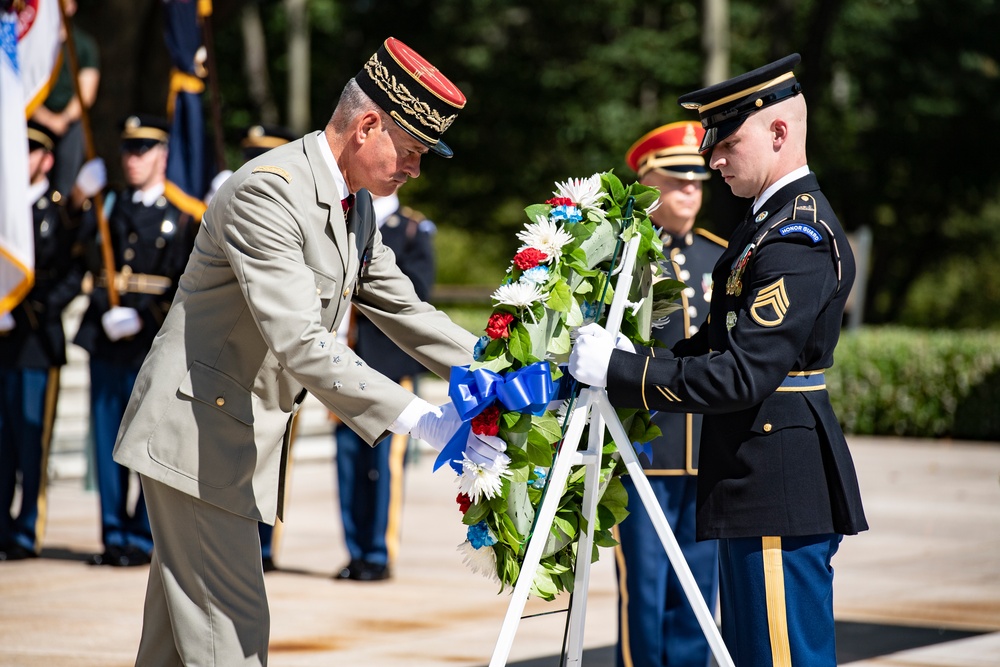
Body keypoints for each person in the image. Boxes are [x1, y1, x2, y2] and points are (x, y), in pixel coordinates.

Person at [111, 37, 506, 665]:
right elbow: (299, 338)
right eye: (410, 152)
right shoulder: (267, 191)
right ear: (367, 126)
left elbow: (404, 309)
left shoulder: (357, 207)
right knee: (232, 640)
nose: (415, 170)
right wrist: (420, 418)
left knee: (174, 645)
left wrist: (507, 369)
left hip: (224, 438)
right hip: (197, 437)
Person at [569, 54, 868, 666]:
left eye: (728, 142)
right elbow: (713, 344)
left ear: (778, 133)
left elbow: (742, 372)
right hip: (753, 478)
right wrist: (635, 355)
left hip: (775, 483)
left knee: (779, 657)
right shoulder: (763, 226)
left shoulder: (795, 238)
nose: (713, 160)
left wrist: (624, 373)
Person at [614, 121, 726, 667]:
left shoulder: (721, 256)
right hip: (646, 450)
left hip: (706, 448)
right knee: (646, 587)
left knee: (700, 591)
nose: (691, 190)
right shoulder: (623, 257)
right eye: (678, 180)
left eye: (697, 181)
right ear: (647, 184)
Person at [73, 114, 198, 568]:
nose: (131, 160)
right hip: (107, 337)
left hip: (151, 343)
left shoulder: (182, 217)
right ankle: (112, 535)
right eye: (127, 150)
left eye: (141, 151)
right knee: (107, 442)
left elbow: (188, 284)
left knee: (147, 442)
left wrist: (144, 316)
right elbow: (74, 249)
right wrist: (79, 199)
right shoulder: (107, 209)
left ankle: (142, 536)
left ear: (162, 156)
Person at [334, 190, 437, 582]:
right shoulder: (347, 219)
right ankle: (356, 551)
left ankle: (378, 552)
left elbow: (416, 296)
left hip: (389, 366)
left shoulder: (411, 229)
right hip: (345, 362)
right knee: (348, 465)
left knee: (382, 467)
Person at [0, 122, 86, 561]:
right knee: (3, 443)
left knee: (32, 442)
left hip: (37, 340)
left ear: (48, 160)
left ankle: (25, 531)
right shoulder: (6, 209)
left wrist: (31, 310)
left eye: (33, 151)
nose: (24, 158)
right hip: (4, 339)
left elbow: (75, 272)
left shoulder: (60, 211)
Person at [30, 0, 100, 198]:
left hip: (69, 125)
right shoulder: (34, 43)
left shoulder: (83, 45)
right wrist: (47, 119)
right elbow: (23, 89)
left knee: (67, 183)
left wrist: (64, 119)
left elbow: (86, 94)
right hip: (36, 120)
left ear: (73, 7)